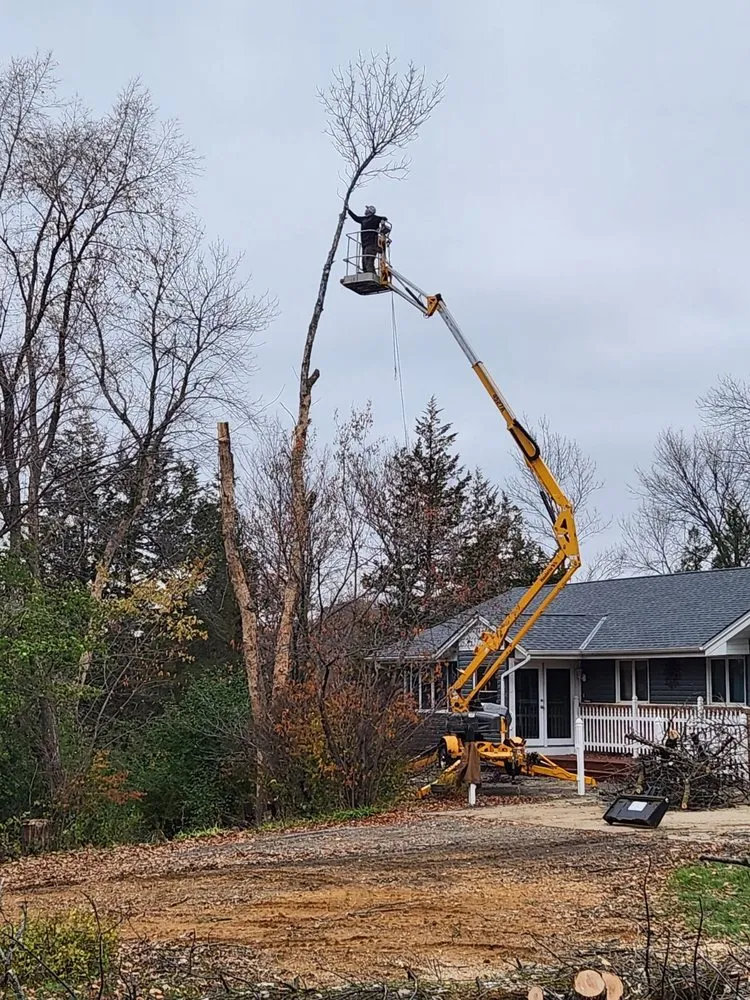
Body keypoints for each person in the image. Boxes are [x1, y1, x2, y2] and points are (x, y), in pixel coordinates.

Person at [347, 205, 388, 273]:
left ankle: (371, 273)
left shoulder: (375, 218)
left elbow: (384, 218)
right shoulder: (363, 219)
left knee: (368, 259)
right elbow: (356, 218)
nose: (365, 210)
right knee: (363, 260)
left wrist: (383, 221)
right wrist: (349, 210)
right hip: (364, 243)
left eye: (367, 209)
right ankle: (366, 273)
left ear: (370, 211)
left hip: (372, 243)